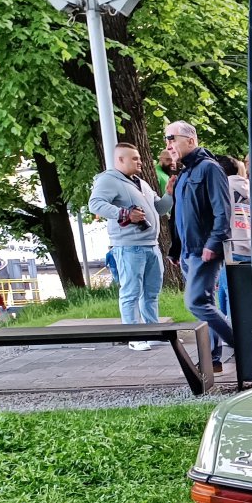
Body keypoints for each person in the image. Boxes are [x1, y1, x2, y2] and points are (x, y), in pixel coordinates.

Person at [166, 120, 235, 373]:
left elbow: (223, 210)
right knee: (206, 305)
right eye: (166, 139)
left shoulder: (209, 168)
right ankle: (212, 360)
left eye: (172, 138)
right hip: (187, 252)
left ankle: (245, 346)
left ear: (191, 140)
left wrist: (213, 243)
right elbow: (180, 215)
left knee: (196, 302)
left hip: (204, 251)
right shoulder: (184, 172)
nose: (168, 144)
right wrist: (175, 249)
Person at [89, 142, 172, 349]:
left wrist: (170, 194)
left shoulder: (141, 183)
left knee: (151, 292)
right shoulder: (108, 180)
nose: (140, 161)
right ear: (120, 160)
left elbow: (160, 209)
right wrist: (124, 214)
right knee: (131, 292)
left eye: (139, 158)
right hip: (129, 246)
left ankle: (153, 333)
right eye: (134, 158)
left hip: (151, 245)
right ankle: (134, 336)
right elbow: (95, 204)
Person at [217, 155, 252, 317]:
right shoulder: (250, 188)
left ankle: (233, 333)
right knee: (236, 291)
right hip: (250, 245)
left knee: (229, 291)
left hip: (230, 246)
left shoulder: (223, 188)